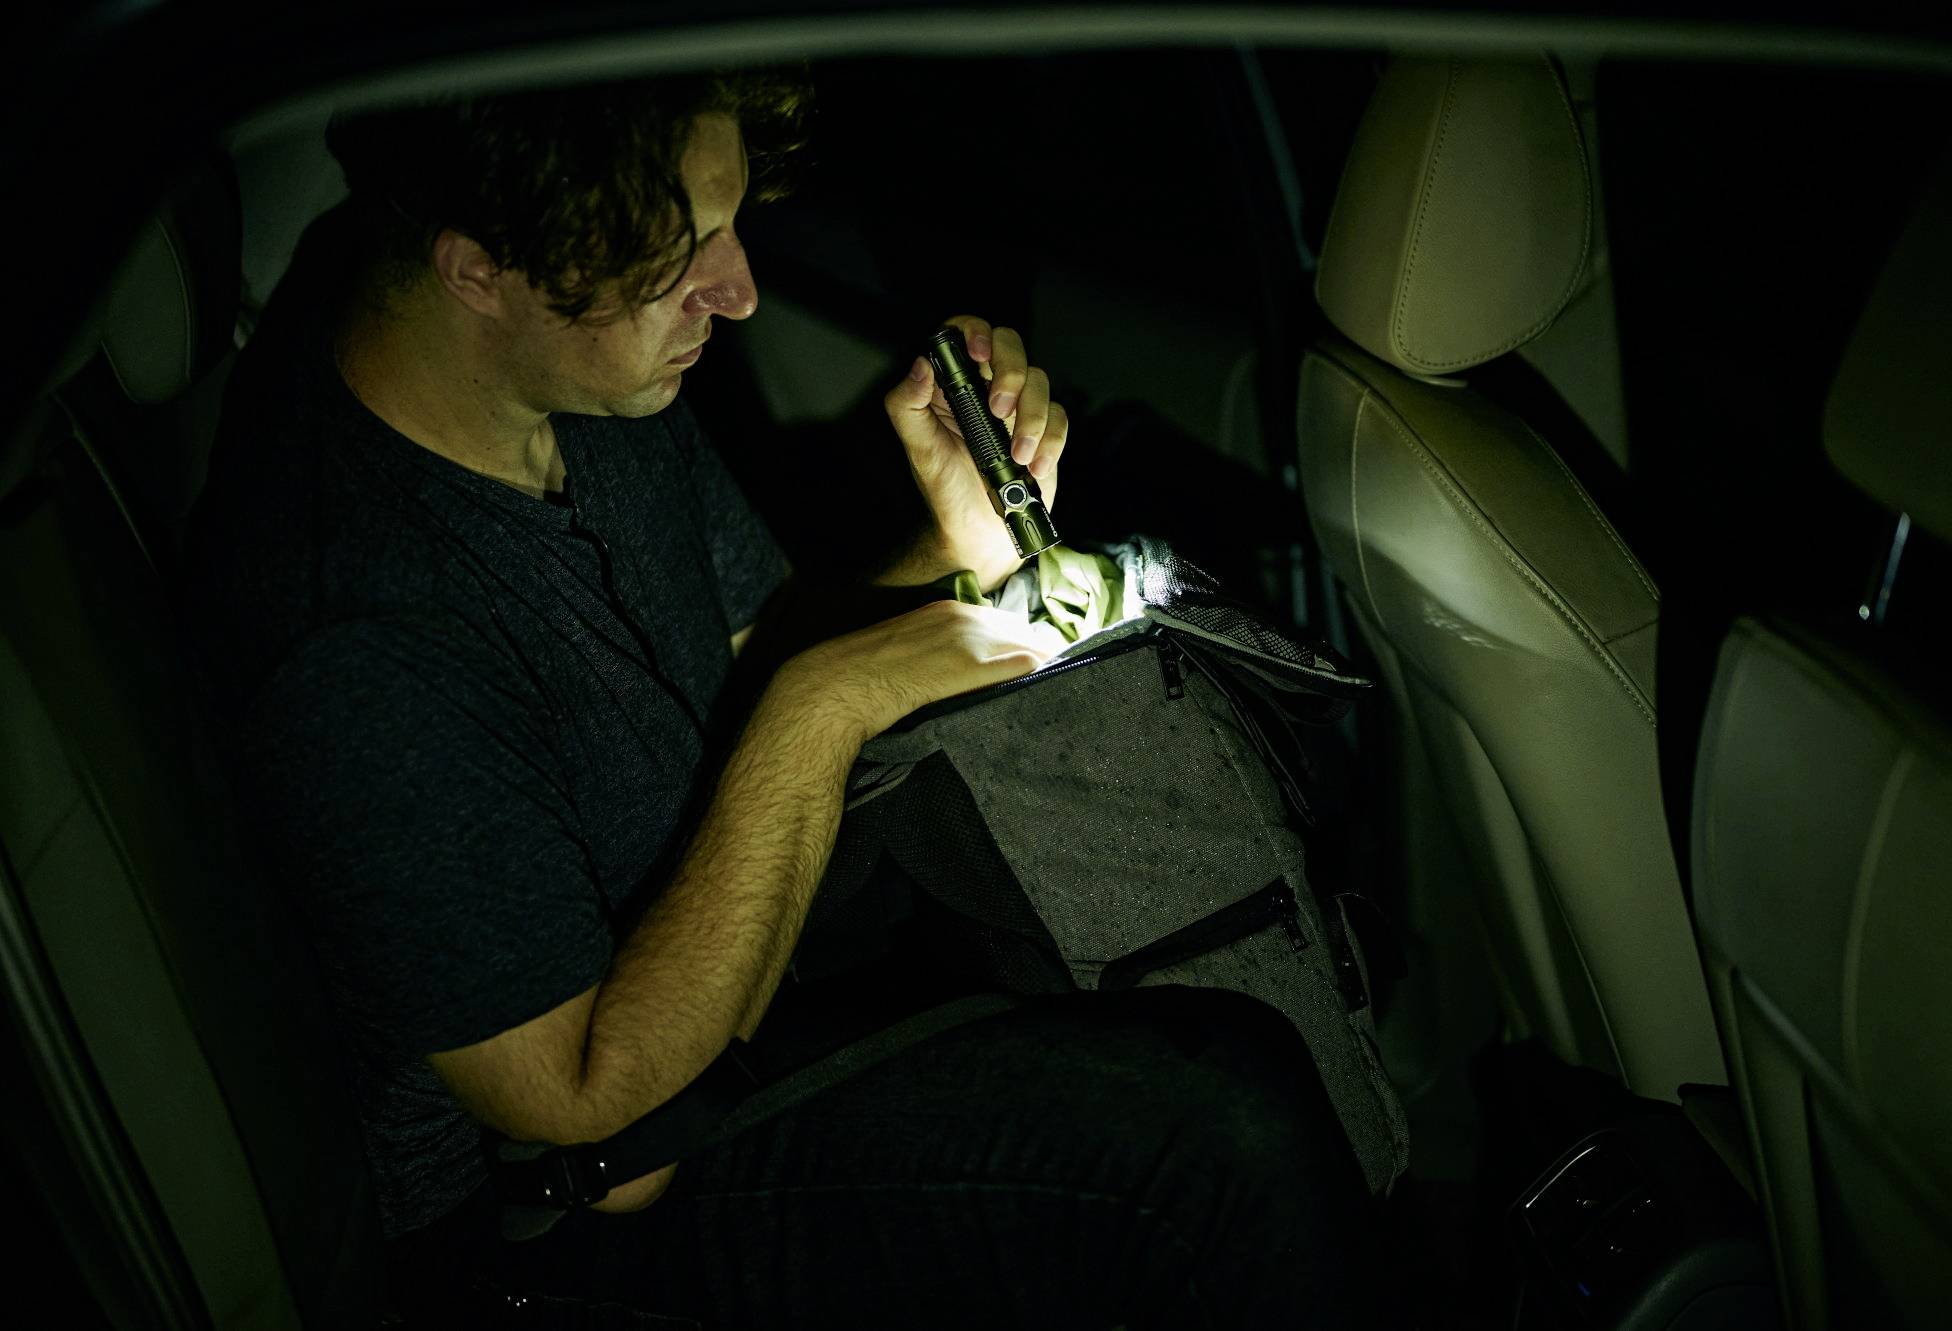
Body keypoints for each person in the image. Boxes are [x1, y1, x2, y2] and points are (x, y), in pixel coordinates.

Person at [182, 68, 1394, 1329]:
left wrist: (944, 543)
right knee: (1215, 1131)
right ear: (476, 268)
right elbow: (592, 1104)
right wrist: (830, 698)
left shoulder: (575, 375)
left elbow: (755, 649)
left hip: (737, 992)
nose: (740, 290)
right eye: (681, 255)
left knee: (1183, 931)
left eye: (730, 222)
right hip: (569, 1215)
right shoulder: (349, 638)